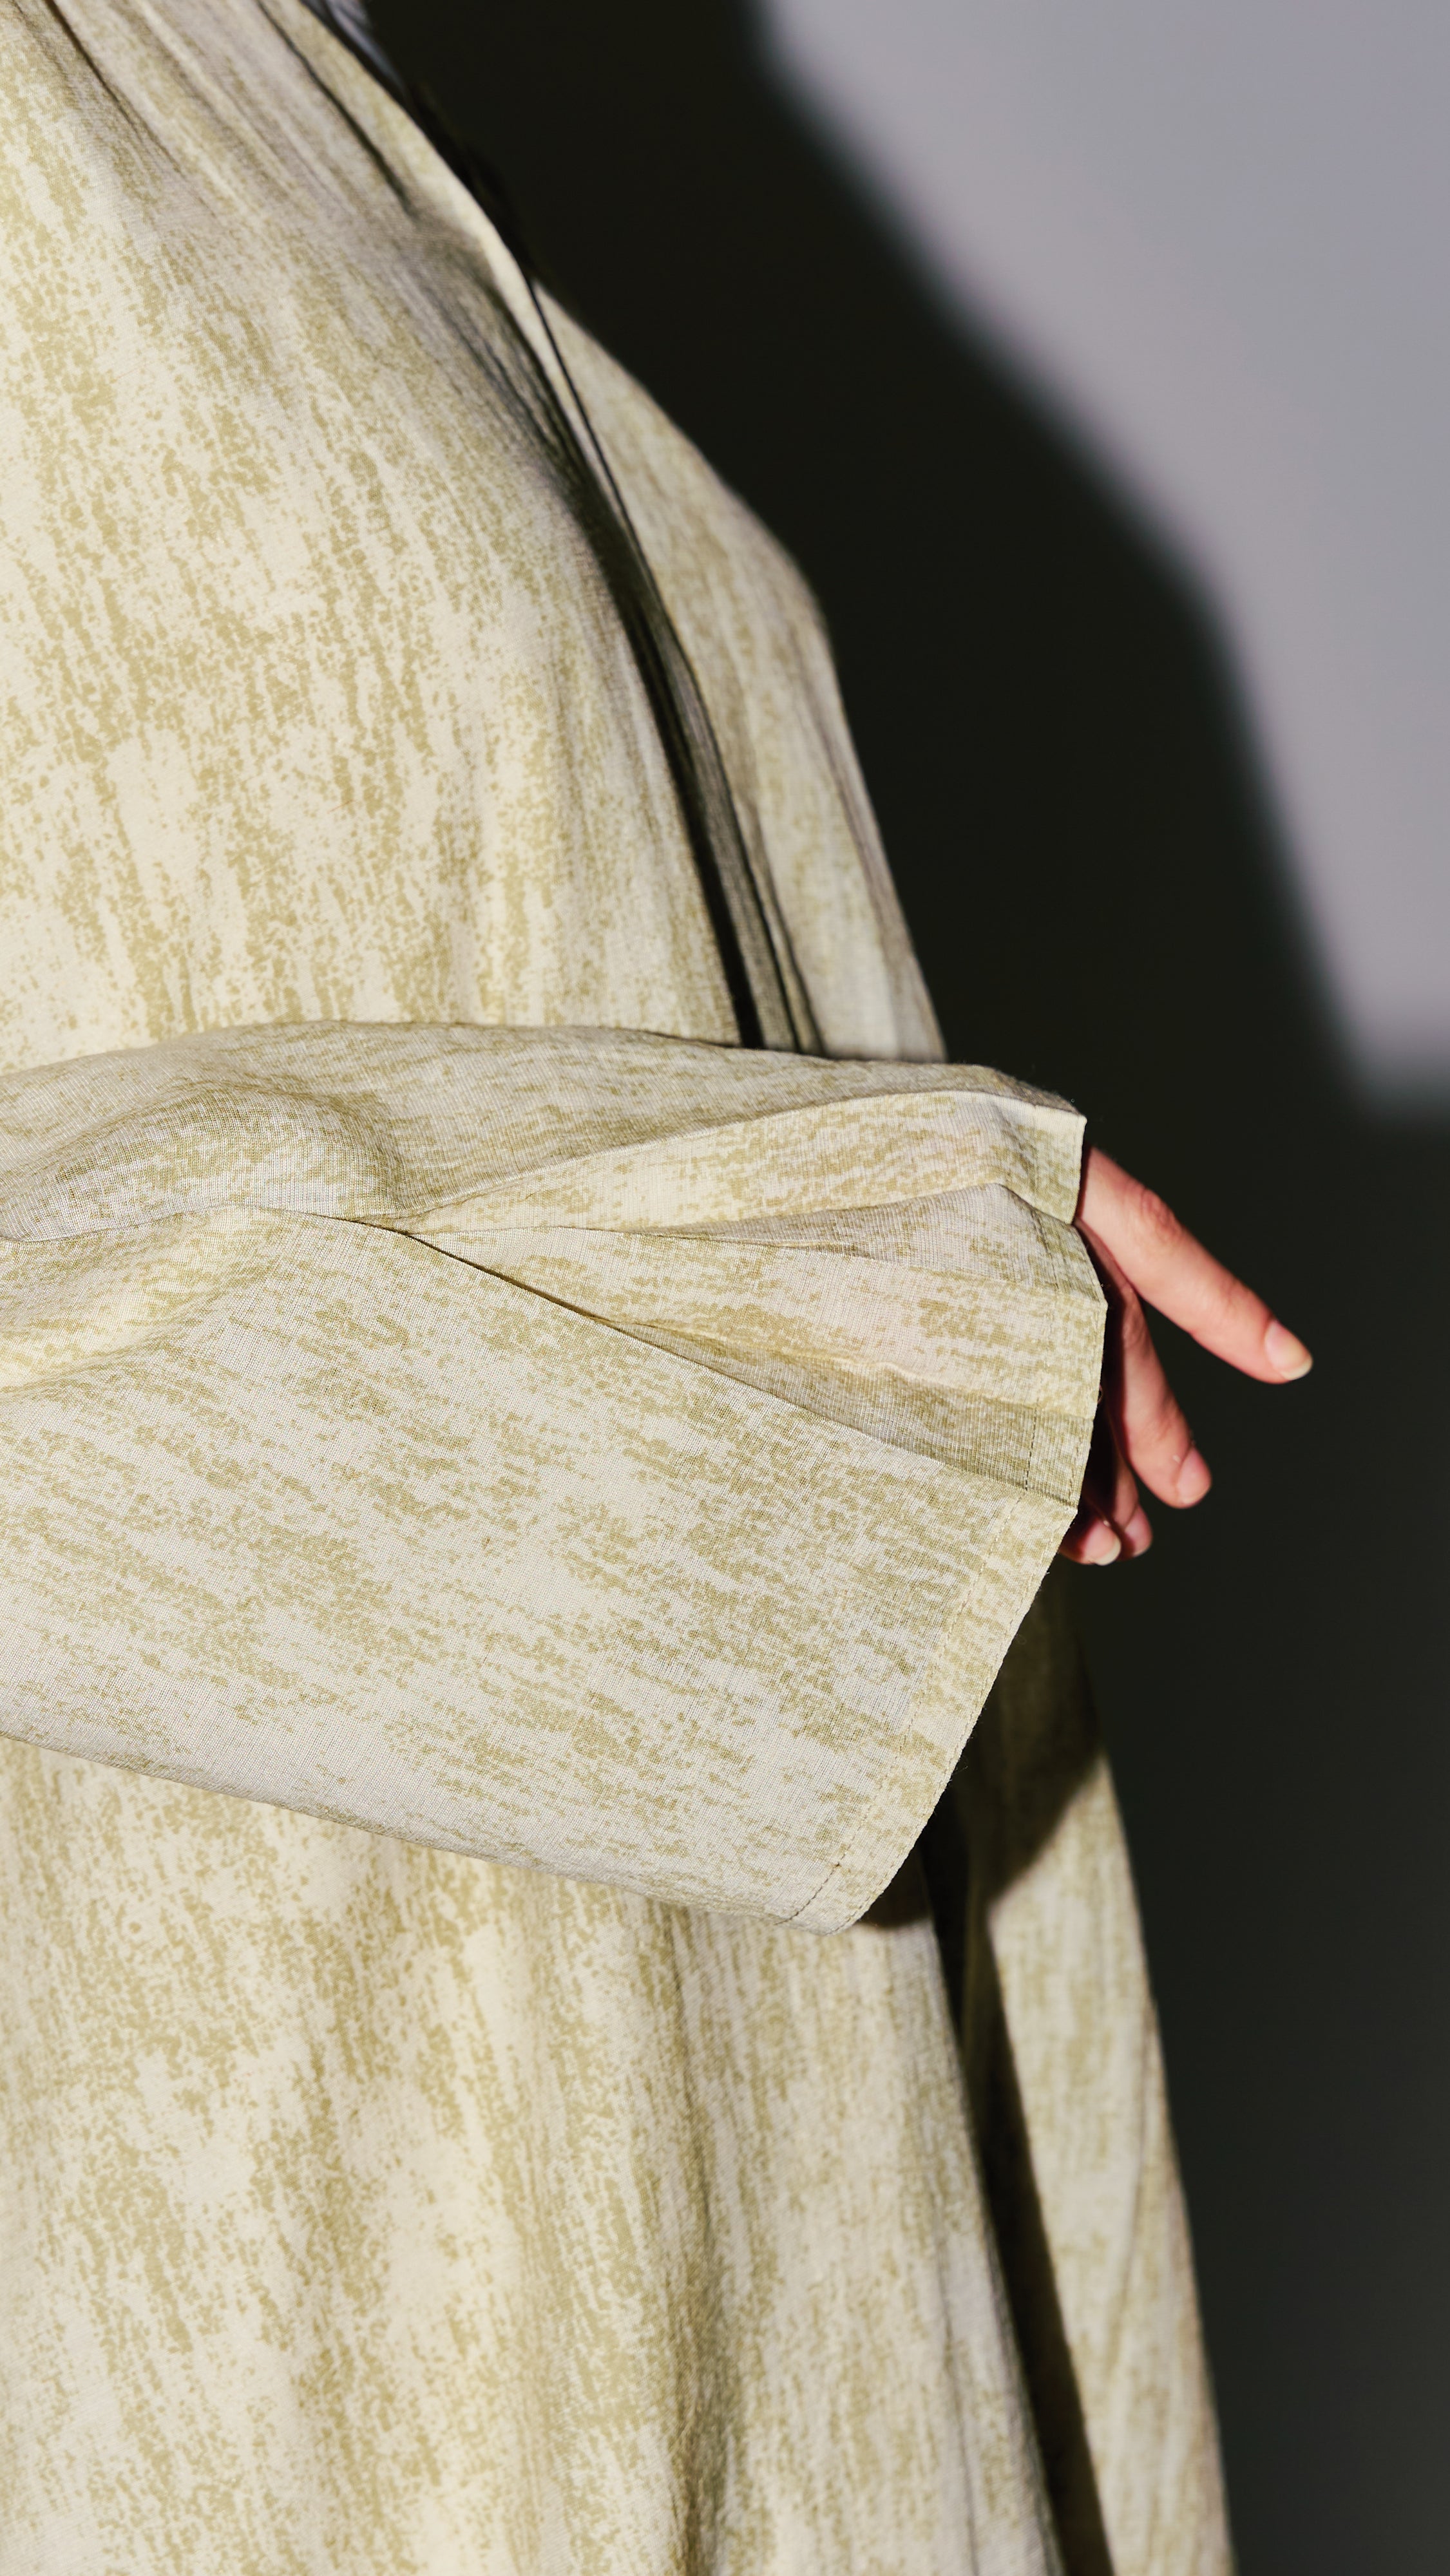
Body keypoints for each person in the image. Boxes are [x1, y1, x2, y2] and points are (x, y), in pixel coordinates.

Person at [0, 1, 1308, 2566]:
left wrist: (851, 1307)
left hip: (714, 2114)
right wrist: (786, 1294)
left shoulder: (263, 70)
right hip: (317, 2215)